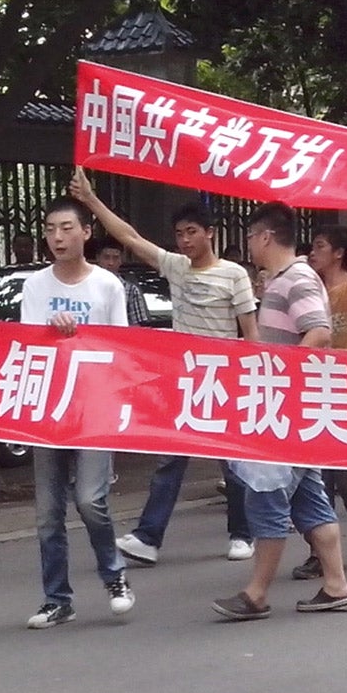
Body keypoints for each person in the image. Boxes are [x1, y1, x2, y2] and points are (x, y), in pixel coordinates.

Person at [70, 167, 259, 565]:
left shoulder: (234, 275)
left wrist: (253, 379)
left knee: (233, 461)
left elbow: (251, 334)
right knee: (170, 458)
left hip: (223, 378)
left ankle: (243, 534)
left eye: (192, 231)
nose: (185, 240)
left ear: (210, 232)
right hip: (183, 378)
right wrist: (90, 199)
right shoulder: (175, 266)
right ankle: (148, 537)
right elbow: (130, 237)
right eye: (179, 234)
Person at [214, 202, 347, 620]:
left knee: (266, 496)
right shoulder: (286, 279)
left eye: (251, 238)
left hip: (283, 408)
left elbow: (320, 331)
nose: (250, 247)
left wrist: (280, 372)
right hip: (293, 408)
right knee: (310, 500)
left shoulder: (295, 279)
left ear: (264, 237)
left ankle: (256, 593)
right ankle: (336, 584)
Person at [22, 195, 134, 629]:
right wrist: (56, 335)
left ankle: (115, 575)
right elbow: (31, 344)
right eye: (50, 229)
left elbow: (121, 347)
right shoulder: (35, 286)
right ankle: (56, 599)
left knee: (90, 499)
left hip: (93, 407)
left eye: (67, 228)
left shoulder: (107, 285)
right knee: (48, 512)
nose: (57, 237)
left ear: (86, 232)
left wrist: (81, 335)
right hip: (48, 408)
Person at [291, 211, 347, 579]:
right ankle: (320, 552)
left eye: (320, 246)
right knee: (317, 477)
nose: (313, 252)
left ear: (340, 253)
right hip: (317, 385)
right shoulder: (310, 291)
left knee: (345, 477)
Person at [95, 237, 150, 325]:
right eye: (106, 257)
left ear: (121, 260)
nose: (111, 263)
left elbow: (137, 326)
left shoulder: (131, 290)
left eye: (115, 258)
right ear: (98, 258)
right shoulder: (88, 285)